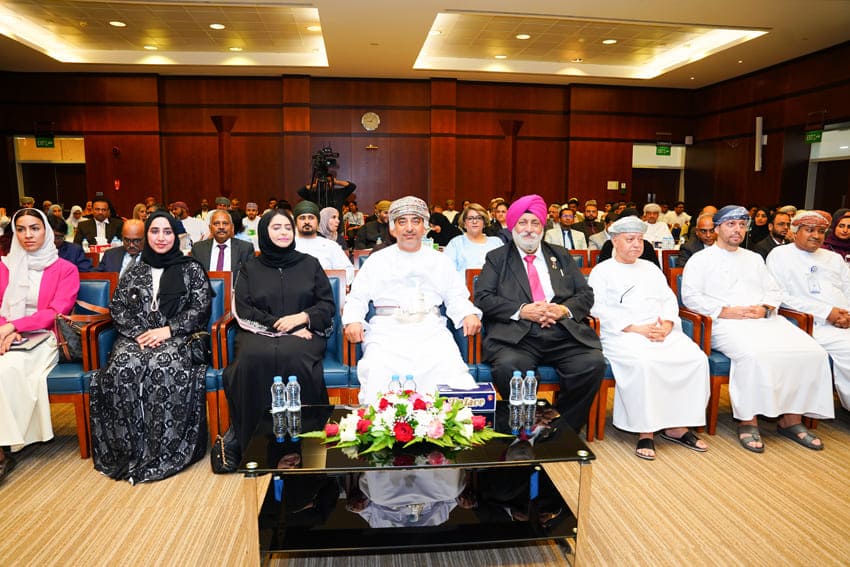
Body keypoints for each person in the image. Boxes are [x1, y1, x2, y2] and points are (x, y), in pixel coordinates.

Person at [682, 205, 834, 453]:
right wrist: (725, 311)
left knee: (812, 352)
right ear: (717, 228)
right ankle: (748, 421)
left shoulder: (753, 258)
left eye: (742, 225)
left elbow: (774, 290)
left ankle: (791, 420)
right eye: (731, 224)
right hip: (724, 322)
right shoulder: (700, 259)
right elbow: (691, 296)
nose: (737, 230)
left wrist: (765, 308)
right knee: (754, 355)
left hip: (763, 320)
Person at [89, 211, 213, 484]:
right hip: (137, 338)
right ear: (147, 236)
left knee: (162, 366)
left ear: (176, 236)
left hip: (179, 336)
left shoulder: (191, 269)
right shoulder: (135, 269)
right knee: (123, 367)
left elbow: (200, 308)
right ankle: (129, 451)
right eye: (155, 231)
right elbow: (118, 307)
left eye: (167, 232)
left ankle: (162, 450)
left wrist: (168, 330)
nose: (161, 237)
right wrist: (140, 334)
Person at [474, 194, 605, 433]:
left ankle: (562, 428)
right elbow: (483, 297)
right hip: (517, 337)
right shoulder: (497, 258)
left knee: (591, 363)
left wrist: (563, 309)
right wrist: (523, 311)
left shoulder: (560, 254)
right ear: (513, 226)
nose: (529, 229)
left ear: (543, 226)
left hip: (561, 332)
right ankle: (529, 424)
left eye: (535, 223)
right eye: (523, 223)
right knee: (510, 367)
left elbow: (585, 294)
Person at [588, 216, 709, 460]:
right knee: (645, 363)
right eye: (630, 239)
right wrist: (635, 328)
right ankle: (646, 431)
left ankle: (677, 427)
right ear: (614, 241)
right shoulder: (602, 271)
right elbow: (596, 308)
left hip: (660, 330)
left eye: (640, 239)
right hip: (623, 334)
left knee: (696, 359)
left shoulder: (651, 268)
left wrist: (667, 324)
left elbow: (668, 300)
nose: (636, 244)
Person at [342, 196, 482, 405]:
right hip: (386, 331)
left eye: (415, 221)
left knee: (448, 364)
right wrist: (353, 320)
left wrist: (467, 314)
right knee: (379, 367)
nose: (409, 228)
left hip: (430, 328)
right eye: (402, 221)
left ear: (425, 227)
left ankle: (441, 422)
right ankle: (384, 422)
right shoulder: (377, 260)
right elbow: (357, 297)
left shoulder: (440, 260)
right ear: (393, 228)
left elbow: (456, 296)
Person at [224, 208, 335, 453]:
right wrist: (283, 327)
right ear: (264, 232)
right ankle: (255, 445)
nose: (283, 232)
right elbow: (244, 309)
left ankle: (306, 442)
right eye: (276, 227)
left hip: (305, 333)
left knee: (293, 356)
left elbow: (327, 305)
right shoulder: (250, 267)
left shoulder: (310, 264)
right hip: (259, 333)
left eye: (287, 227)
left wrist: (301, 318)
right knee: (250, 359)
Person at [0, 209, 79, 483]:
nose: (28, 235)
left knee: (7, 368)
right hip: (4, 335)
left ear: (45, 231)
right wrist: (5, 329)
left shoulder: (65, 269)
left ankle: (2, 451)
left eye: (34, 228)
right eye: (21, 229)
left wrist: (14, 326)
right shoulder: (4, 266)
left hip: (45, 337)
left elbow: (56, 311)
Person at [767, 210, 850, 412]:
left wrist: (847, 315)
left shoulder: (834, 259)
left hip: (845, 322)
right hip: (812, 324)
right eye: (810, 230)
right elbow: (779, 296)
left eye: (821, 231)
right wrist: (827, 313)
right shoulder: (780, 255)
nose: (816, 235)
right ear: (795, 231)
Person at [293, 201, 354, 283]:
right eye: (302, 218)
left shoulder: (331, 246)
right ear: (295, 222)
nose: (307, 221)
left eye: (311, 218)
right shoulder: (287, 246)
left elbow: (348, 271)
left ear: (318, 221)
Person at [442, 203, 503, 273]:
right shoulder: (455, 243)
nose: (474, 221)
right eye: (470, 218)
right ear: (464, 223)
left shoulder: (496, 242)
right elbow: (446, 271)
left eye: (479, 218)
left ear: (484, 222)